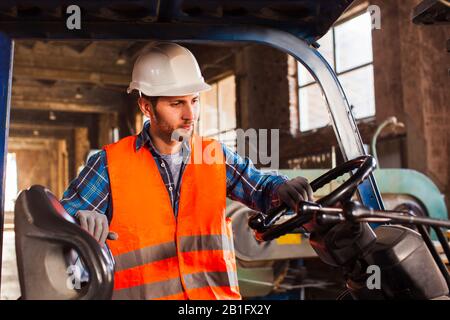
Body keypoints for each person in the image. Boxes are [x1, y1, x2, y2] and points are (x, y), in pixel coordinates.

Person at [60, 42, 313, 300]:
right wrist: (82, 224)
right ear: (147, 107)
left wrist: (281, 187)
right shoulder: (108, 165)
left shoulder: (214, 156)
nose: (190, 115)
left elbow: (260, 187)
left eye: (194, 100)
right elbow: (57, 229)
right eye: (177, 104)